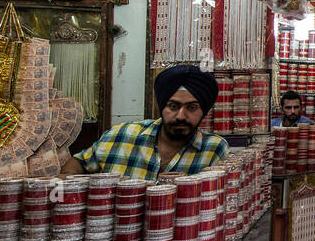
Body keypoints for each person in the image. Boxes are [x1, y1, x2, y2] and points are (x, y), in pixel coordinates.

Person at [63, 64, 228, 177]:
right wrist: (69, 183)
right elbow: (82, 164)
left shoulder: (214, 150)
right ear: (162, 107)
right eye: (173, 106)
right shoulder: (122, 136)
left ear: (203, 112)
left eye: (192, 108)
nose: (180, 116)